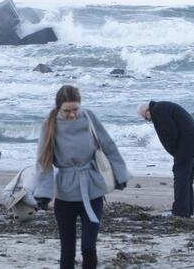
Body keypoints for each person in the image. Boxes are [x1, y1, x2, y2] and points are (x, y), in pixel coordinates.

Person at [35, 85, 131, 269]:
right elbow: (44, 162)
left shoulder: (89, 117)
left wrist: (120, 175)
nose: (72, 115)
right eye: (67, 111)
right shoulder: (50, 124)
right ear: (58, 108)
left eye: (75, 109)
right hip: (65, 195)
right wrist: (43, 194)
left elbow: (108, 145)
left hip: (93, 190)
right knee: (67, 250)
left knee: (88, 248)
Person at [137, 101, 194, 217]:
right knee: (186, 180)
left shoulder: (158, 110)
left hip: (188, 145)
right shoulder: (162, 107)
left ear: (147, 111)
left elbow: (169, 132)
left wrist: (175, 151)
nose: (147, 121)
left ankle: (179, 212)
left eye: (145, 118)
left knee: (180, 177)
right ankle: (187, 211)